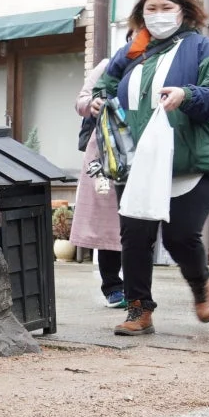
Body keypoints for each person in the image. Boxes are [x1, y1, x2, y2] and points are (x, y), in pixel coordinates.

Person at [80, 0, 209, 336]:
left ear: (183, 11)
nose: (159, 15)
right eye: (152, 8)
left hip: (189, 161)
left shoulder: (201, 48)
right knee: (134, 236)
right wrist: (100, 100)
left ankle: (200, 286)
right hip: (137, 161)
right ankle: (139, 310)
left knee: (181, 236)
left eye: (167, 8)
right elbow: (105, 83)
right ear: (141, 13)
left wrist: (187, 94)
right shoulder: (133, 49)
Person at [71, 62, 125, 306]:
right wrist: (91, 104)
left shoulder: (157, 64)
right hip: (106, 148)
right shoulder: (109, 65)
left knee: (136, 220)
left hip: (142, 147)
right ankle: (112, 285)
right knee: (107, 219)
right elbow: (81, 100)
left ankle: (137, 288)